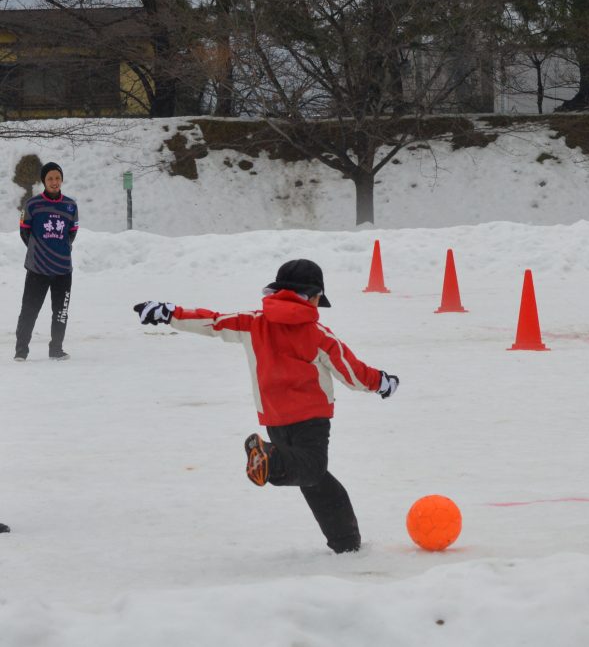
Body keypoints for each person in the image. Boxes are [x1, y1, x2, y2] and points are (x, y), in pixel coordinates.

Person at [133, 259, 399, 553]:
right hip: (311, 418)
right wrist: (381, 382)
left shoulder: (253, 322)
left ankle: (345, 543)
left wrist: (170, 313)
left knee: (314, 478)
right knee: (311, 470)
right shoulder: (318, 335)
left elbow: (213, 321)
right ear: (313, 297)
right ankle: (270, 458)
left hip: (274, 417)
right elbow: (351, 372)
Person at [15, 161, 78, 361]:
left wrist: (61, 249)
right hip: (37, 269)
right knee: (29, 310)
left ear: (61, 180)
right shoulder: (32, 205)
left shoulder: (70, 205)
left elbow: (72, 232)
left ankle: (56, 349)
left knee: (61, 312)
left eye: (57, 178)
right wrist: (39, 250)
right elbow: (24, 232)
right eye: (50, 178)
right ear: (44, 181)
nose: (54, 182)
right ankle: (21, 351)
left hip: (63, 270)